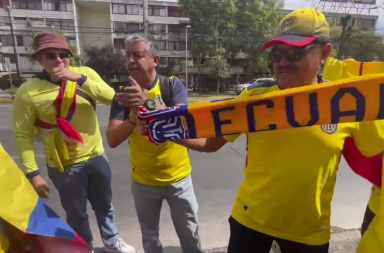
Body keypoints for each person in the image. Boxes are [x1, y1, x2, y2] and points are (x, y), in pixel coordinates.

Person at [139, 8, 384, 253]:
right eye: (276, 54)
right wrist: (164, 126)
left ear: (324, 54)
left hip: (309, 235)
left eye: (295, 52)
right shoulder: (255, 98)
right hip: (250, 225)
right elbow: (210, 142)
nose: (283, 62)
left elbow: (377, 156)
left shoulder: (348, 103)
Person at [13, 32, 134, 253]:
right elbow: (23, 135)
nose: (59, 60)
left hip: (97, 156)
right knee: (77, 214)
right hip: (64, 165)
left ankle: (112, 241)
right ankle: (85, 248)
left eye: (63, 55)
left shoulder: (84, 74)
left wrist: (78, 79)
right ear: (39, 58)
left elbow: (112, 98)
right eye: (50, 55)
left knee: (105, 207)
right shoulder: (27, 92)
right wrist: (33, 174)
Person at [106, 34, 202, 253]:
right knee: (150, 240)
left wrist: (147, 105)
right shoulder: (124, 96)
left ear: (155, 60)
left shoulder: (172, 86)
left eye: (138, 55)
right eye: (128, 55)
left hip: (179, 179)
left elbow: (183, 123)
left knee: (190, 235)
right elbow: (112, 139)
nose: (131, 61)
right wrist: (133, 115)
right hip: (144, 182)